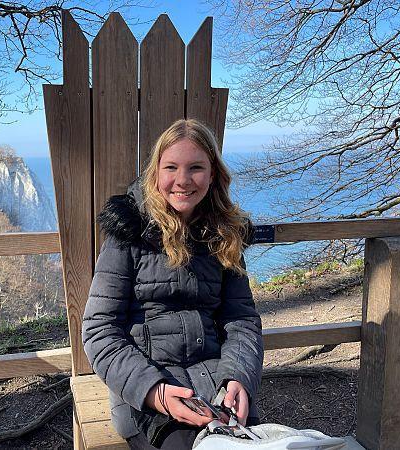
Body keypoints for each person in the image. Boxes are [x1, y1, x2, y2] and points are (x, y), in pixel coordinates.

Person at [82, 118, 264, 450]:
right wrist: (156, 393)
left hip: (217, 386)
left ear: (213, 176)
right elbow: (99, 329)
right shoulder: (128, 236)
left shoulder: (225, 235)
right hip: (147, 392)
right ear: (156, 175)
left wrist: (238, 377)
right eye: (171, 168)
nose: (182, 180)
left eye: (195, 167)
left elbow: (242, 319)